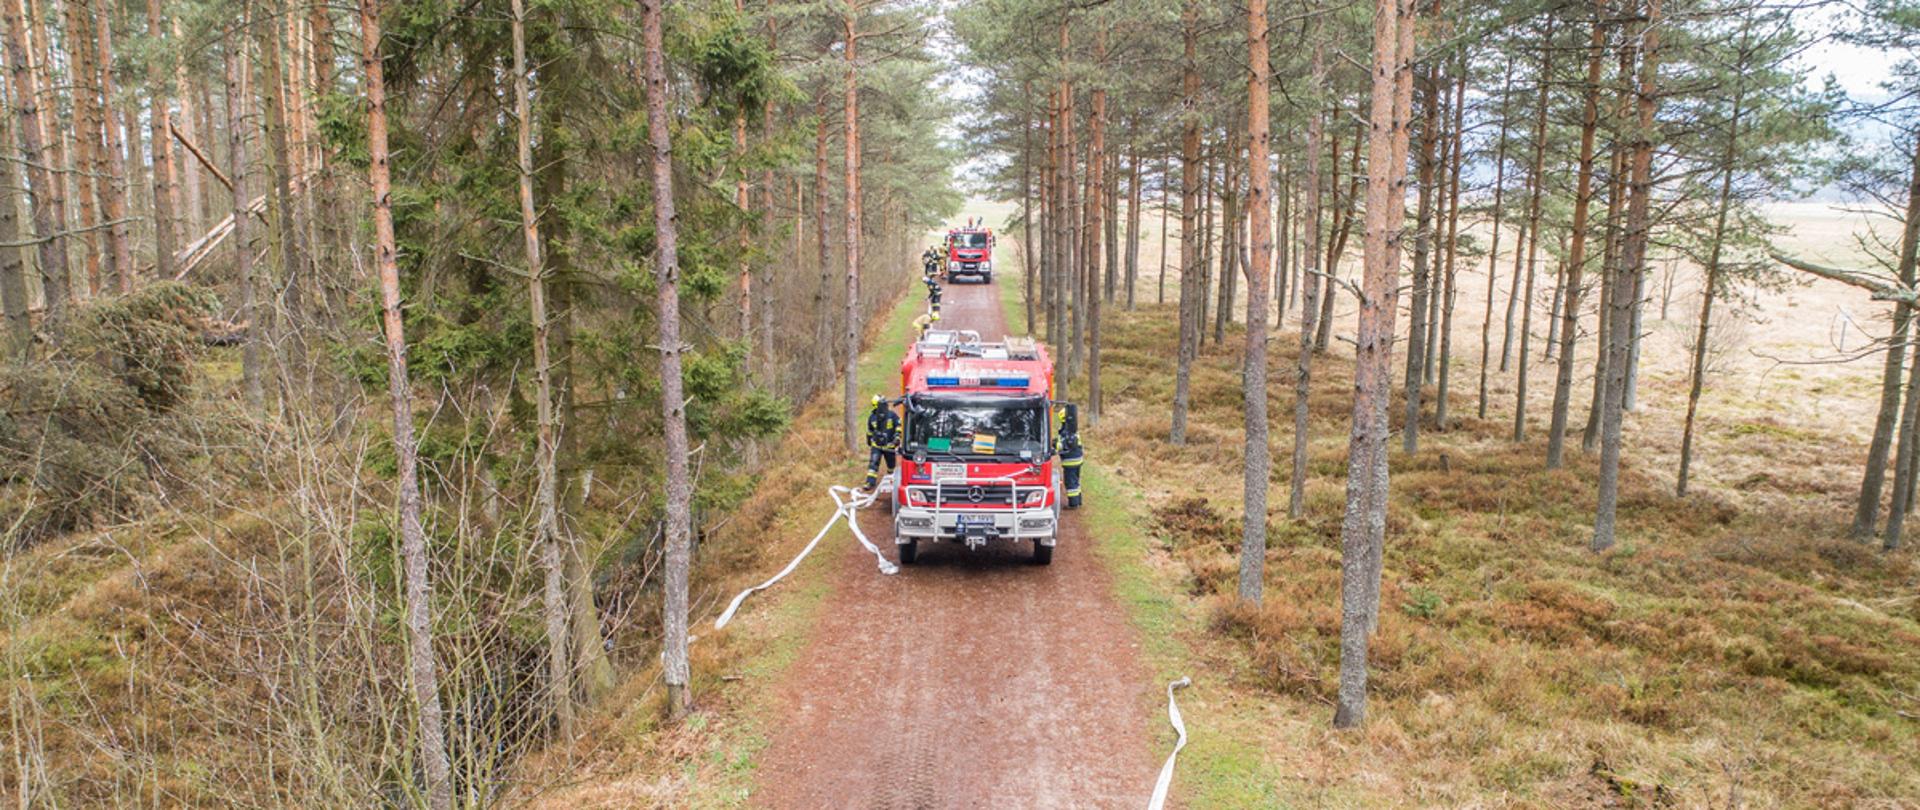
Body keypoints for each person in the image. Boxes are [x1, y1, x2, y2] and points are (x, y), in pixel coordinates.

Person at [863, 395, 901, 491]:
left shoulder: (892, 415)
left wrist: (897, 437)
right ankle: (870, 482)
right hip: (877, 446)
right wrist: (869, 439)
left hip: (889, 445)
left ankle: (892, 479)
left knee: (891, 465)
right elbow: (870, 431)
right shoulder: (872, 418)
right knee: (873, 463)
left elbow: (898, 425)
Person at [1057, 404, 1083, 508]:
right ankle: (1078, 500)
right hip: (1078, 459)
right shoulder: (1073, 429)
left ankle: (1073, 504)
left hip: (1070, 461)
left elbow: (1062, 445)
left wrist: (1054, 445)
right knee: (1076, 480)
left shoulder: (1065, 431)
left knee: (1070, 483)